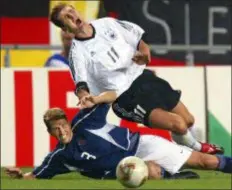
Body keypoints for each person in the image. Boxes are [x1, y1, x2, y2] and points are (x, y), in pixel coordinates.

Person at [49, 3, 223, 154]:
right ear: (65, 29)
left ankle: (184, 151)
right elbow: (81, 84)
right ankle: (200, 150)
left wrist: (145, 54)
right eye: (66, 17)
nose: (72, 15)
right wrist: (84, 96)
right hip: (125, 97)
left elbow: (138, 39)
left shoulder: (107, 24)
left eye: (71, 11)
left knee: (188, 120)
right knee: (178, 124)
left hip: (144, 78)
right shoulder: (77, 54)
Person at [4, 96, 232, 180]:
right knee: (147, 172)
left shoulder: (85, 121)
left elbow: (109, 95)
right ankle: (171, 176)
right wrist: (19, 176)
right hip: (126, 170)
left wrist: (91, 97)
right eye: (56, 129)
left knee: (207, 162)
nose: (61, 131)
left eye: (62, 125)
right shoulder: (60, 157)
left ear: (67, 122)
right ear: (50, 133)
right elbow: (35, 176)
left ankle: (174, 172)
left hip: (141, 144)